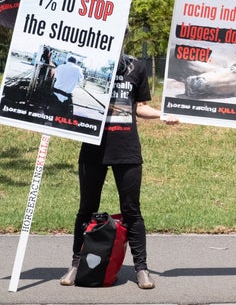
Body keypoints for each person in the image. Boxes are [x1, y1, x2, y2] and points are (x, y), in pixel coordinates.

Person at [59, 53, 179, 289]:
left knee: (132, 210)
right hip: (93, 148)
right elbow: (73, 95)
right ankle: (76, 264)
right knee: (87, 209)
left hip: (126, 149)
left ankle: (141, 269)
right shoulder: (90, 61)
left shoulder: (136, 67)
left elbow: (139, 108)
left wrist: (162, 115)